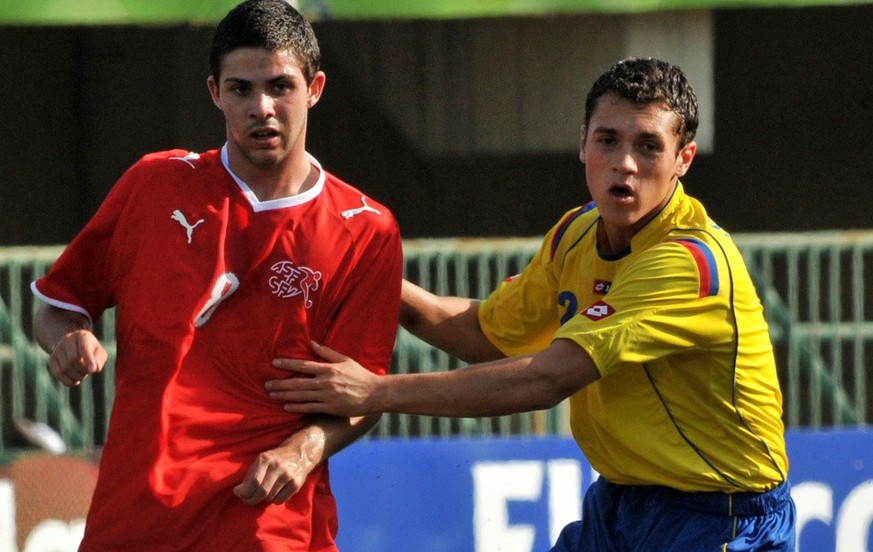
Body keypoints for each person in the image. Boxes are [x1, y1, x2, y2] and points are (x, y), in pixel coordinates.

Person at [266, 57, 797, 551]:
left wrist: (377, 392)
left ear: (684, 159)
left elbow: (548, 379)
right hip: (620, 503)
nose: (625, 164)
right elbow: (485, 334)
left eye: (649, 147)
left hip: (721, 517)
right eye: (608, 140)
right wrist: (365, 276)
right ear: (582, 142)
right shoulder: (576, 231)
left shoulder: (687, 263)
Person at [30, 1, 403, 550]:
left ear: (315, 88)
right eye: (241, 89)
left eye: (281, 86)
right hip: (136, 521)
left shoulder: (366, 230)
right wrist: (66, 340)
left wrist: (302, 451)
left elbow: (363, 395)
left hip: (269, 524)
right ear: (214, 93)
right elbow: (59, 304)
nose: (262, 107)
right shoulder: (153, 186)